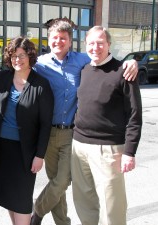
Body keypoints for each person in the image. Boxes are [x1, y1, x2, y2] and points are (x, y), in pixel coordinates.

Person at [30, 18, 138, 225]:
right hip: (49, 134)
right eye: (55, 38)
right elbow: (20, 71)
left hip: (73, 133)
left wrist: (130, 61)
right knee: (58, 185)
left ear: (70, 41)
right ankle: (63, 223)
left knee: (62, 181)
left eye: (63, 38)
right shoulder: (41, 64)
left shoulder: (83, 60)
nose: (58, 42)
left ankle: (38, 210)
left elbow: (107, 62)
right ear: (49, 40)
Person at [71, 26, 142, 225]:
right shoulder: (84, 69)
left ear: (109, 44)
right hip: (79, 146)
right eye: (91, 43)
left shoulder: (124, 72)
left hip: (109, 149)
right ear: (86, 44)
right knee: (84, 202)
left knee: (112, 207)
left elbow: (134, 114)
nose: (96, 47)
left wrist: (130, 152)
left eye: (100, 43)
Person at [0, 36, 54, 225]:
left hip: (25, 152)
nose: (18, 59)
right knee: (8, 196)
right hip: (1, 149)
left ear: (30, 56)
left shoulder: (41, 85)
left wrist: (39, 155)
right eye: (14, 56)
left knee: (22, 199)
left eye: (22, 55)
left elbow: (45, 124)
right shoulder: (1, 78)